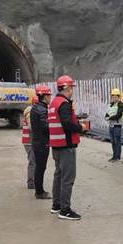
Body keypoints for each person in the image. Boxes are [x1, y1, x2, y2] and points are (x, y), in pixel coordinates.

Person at [48, 75, 84, 220]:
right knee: (67, 178)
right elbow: (67, 124)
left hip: (56, 145)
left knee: (58, 175)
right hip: (65, 145)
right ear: (67, 88)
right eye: (71, 88)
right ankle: (65, 210)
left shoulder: (53, 103)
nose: (72, 91)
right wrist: (80, 127)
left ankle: (56, 205)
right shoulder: (64, 104)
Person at [30, 85, 53, 199]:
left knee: (39, 167)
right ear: (44, 96)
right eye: (49, 95)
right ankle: (39, 192)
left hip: (37, 142)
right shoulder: (42, 110)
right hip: (42, 143)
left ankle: (38, 190)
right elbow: (45, 127)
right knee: (40, 168)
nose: (50, 97)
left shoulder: (35, 108)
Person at [22, 95, 38, 189]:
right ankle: (31, 182)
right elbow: (31, 127)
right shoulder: (30, 111)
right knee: (33, 162)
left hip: (30, 141)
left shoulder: (31, 110)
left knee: (34, 161)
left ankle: (33, 181)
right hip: (29, 141)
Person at [105, 88, 123, 163]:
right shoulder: (111, 105)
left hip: (117, 126)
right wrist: (106, 117)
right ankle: (114, 156)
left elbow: (119, 115)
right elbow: (107, 113)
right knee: (113, 142)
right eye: (113, 97)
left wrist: (110, 118)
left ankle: (117, 157)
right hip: (111, 126)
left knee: (117, 142)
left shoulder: (120, 104)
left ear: (119, 97)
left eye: (115, 97)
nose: (114, 98)